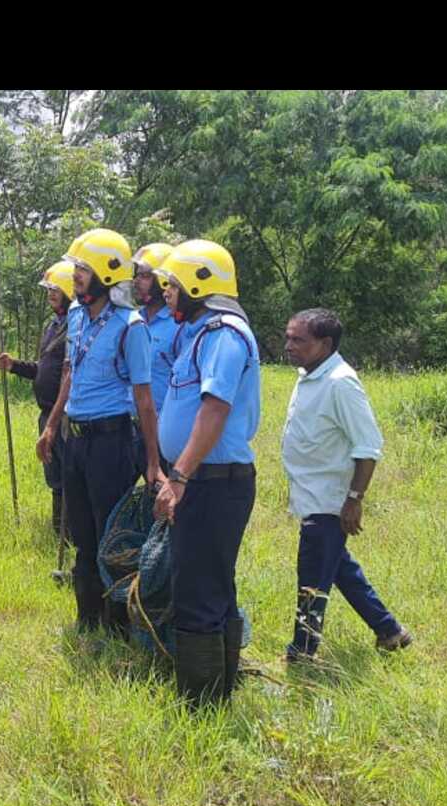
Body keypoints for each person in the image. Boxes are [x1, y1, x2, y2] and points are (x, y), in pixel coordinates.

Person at [152, 240, 262, 710]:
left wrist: (178, 476)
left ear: (199, 283)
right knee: (211, 583)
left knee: (198, 590)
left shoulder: (223, 333)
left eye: (174, 284)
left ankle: (201, 705)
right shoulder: (202, 332)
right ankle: (219, 688)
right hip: (206, 480)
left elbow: (214, 409)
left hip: (213, 484)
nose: (168, 292)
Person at [36, 228, 162, 634]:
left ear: (107, 275)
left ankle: (119, 625)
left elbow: (144, 399)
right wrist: (52, 426)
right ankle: (87, 618)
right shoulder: (74, 316)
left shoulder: (132, 327)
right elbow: (70, 373)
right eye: (76, 267)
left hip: (112, 442)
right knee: (82, 533)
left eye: (82, 269)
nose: (74, 275)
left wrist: (153, 462)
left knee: (112, 534)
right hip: (76, 440)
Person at [280, 308, 413, 662]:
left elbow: (368, 446)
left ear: (325, 344)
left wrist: (354, 498)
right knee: (337, 566)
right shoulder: (309, 374)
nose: (289, 345)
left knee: (312, 580)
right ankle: (389, 631)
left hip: (330, 500)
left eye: (298, 340)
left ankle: (302, 652)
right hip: (310, 495)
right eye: (288, 337)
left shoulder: (341, 382)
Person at [0, 260, 74, 536]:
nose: (51, 294)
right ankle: (59, 532)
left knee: (68, 476)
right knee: (54, 474)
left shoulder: (76, 328)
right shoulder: (53, 326)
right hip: (46, 414)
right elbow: (44, 370)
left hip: (65, 415)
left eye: (56, 289)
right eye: (49, 289)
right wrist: (14, 365)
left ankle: (70, 533)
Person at [132, 242, 178, 476]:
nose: (137, 282)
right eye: (137, 276)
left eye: (146, 276)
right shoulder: (132, 321)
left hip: (163, 430)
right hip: (128, 428)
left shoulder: (178, 325)